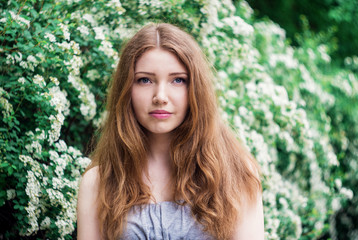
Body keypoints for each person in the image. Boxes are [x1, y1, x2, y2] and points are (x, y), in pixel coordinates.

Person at [77, 23, 264, 240]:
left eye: (178, 80)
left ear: (195, 88)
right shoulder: (99, 182)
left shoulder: (238, 175)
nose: (161, 96)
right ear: (127, 90)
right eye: (145, 80)